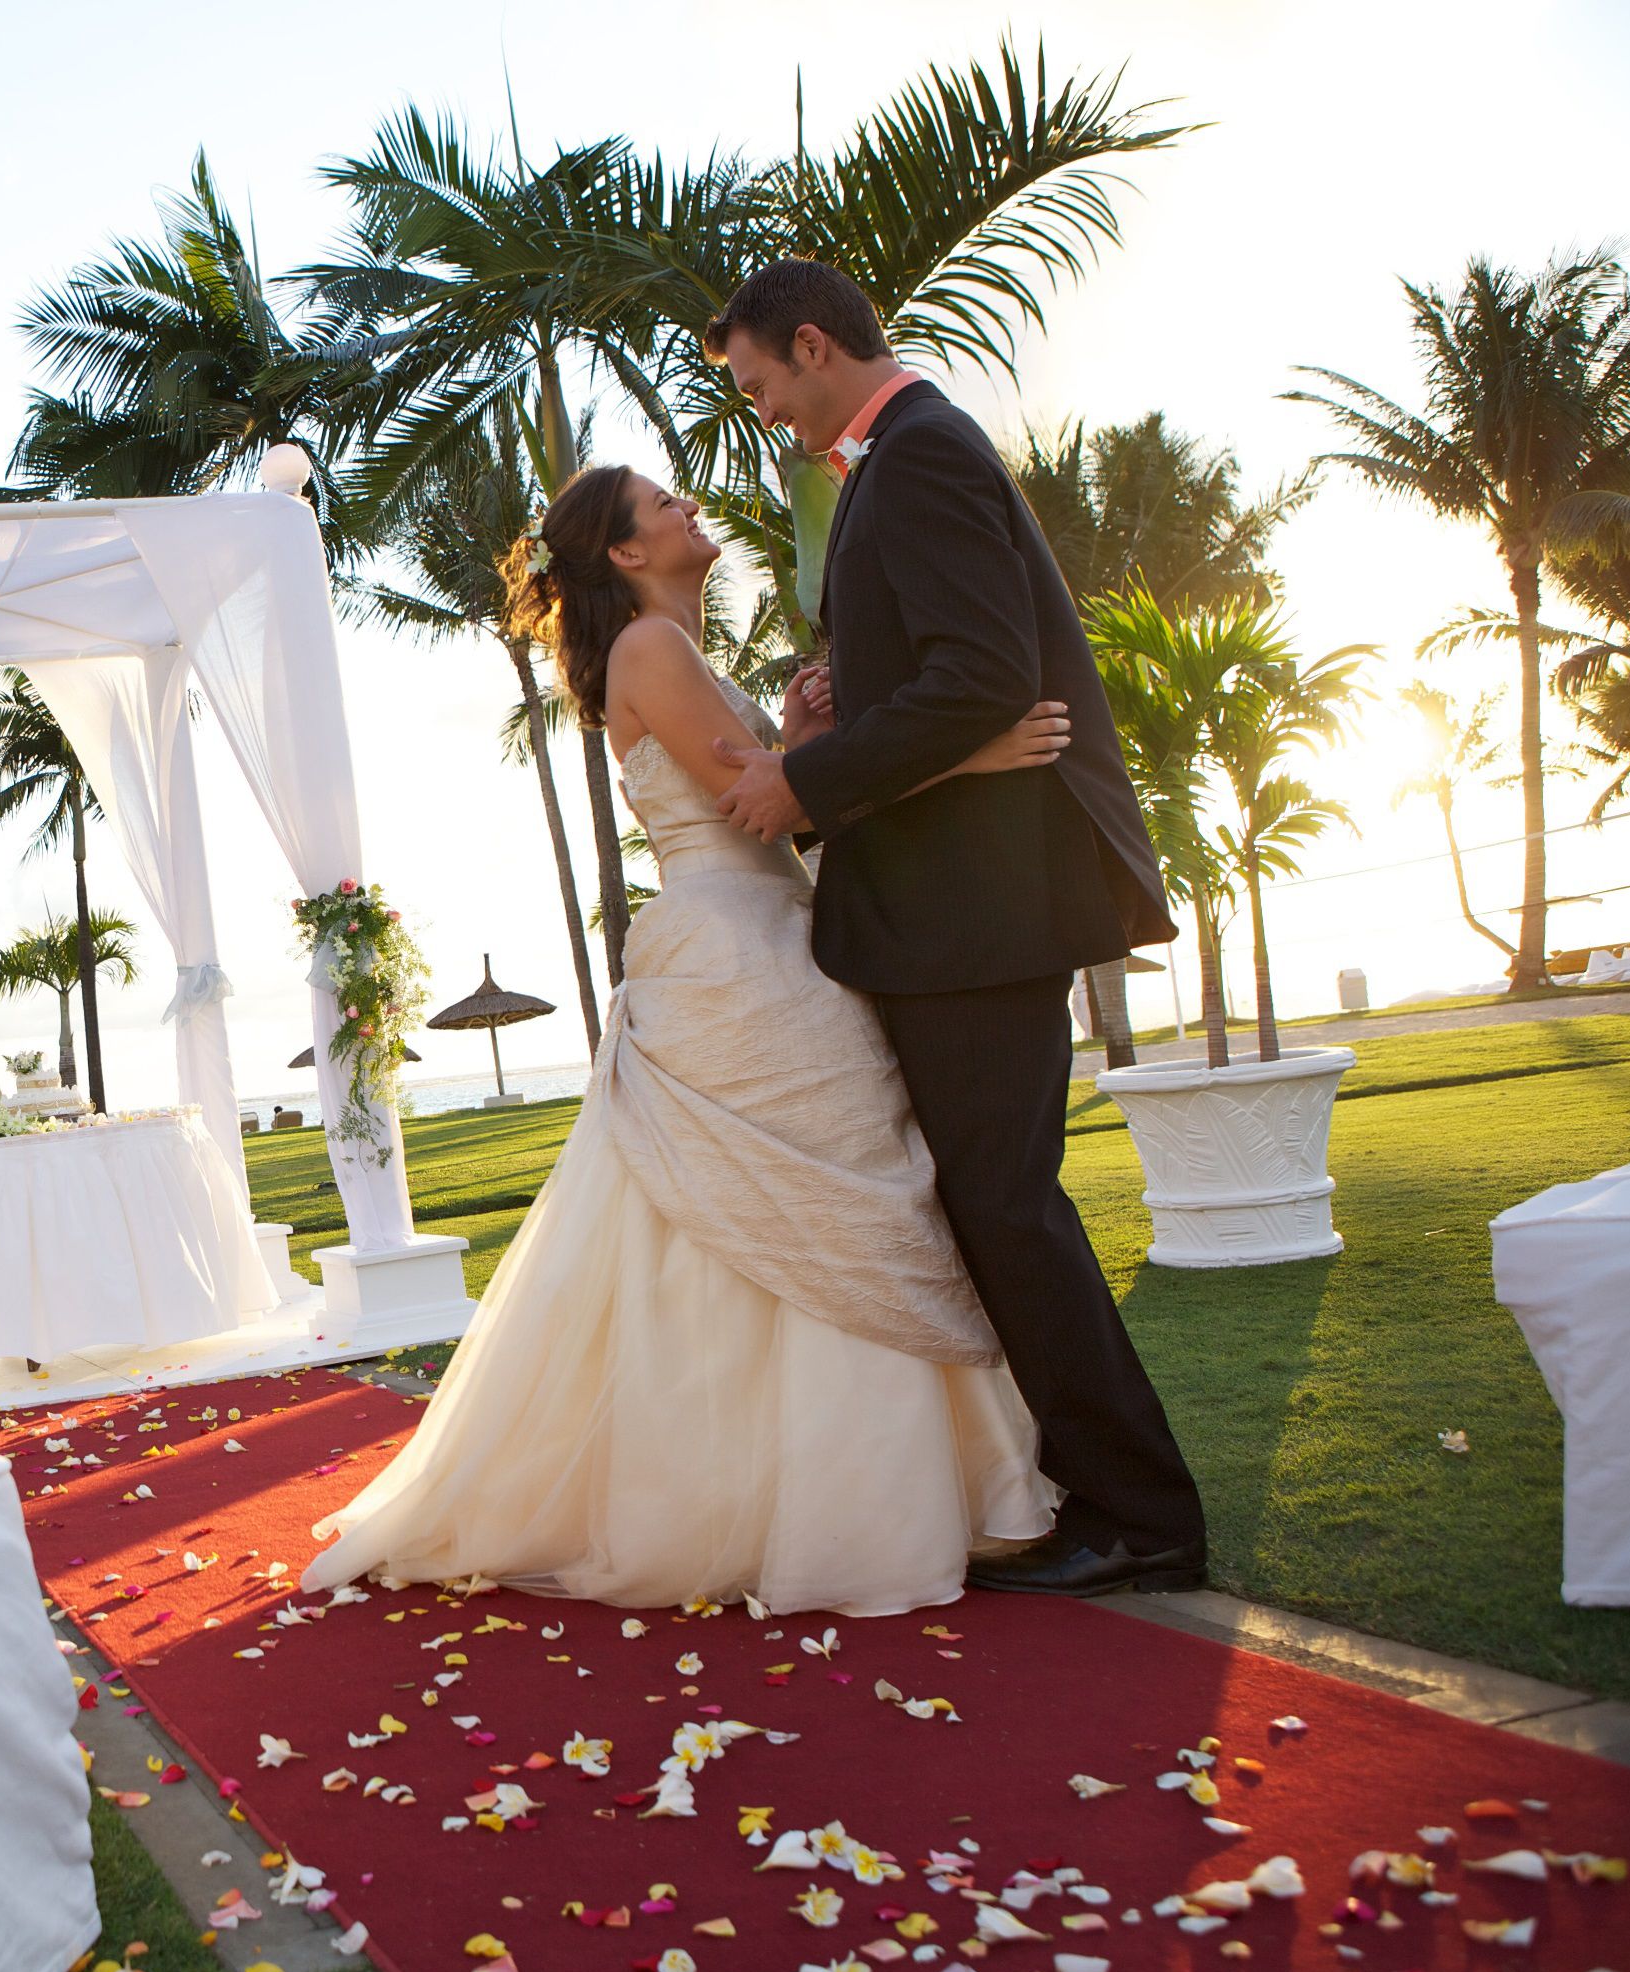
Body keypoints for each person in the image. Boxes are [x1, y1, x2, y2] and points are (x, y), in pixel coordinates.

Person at [301, 459, 1066, 1616]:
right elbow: (771, 803)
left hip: (762, 924)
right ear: (623, 551)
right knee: (816, 1196)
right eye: (663, 505)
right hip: (738, 947)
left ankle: (802, 1488)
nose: (687, 509)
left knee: (802, 1203)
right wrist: (972, 750)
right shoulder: (654, 652)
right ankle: (842, 1498)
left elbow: (767, 788)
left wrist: (796, 728)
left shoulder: (672, 651)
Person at [705, 257, 1205, 1597]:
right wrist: (843, 697)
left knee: (1007, 1206)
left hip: (976, 912)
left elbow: (984, 676)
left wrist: (804, 779)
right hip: (957, 906)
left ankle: (1141, 1515)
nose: (768, 418)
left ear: (813, 347)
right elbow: (948, 677)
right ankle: (1087, 1490)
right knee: (996, 1205)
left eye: (761, 389)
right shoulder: (902, 464)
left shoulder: (917, 456)